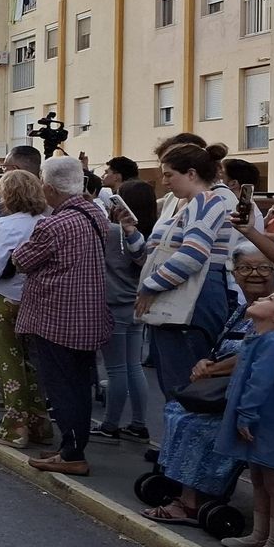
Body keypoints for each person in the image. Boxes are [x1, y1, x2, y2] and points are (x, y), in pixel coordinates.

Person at [143, 243, 274, 527]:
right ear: (235, 274)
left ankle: (192, 502)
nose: (254, 274)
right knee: (177, 411)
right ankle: (182, 488)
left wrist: (213, 369)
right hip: (225, 389)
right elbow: (221, 347)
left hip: (252, 396)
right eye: (245, 268)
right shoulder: (241, 310)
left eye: (264, 267)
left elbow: (254, 354)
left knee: (197, 424)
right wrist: (205, 362)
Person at [10, 158, 112, 476]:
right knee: (80, 384)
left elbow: (22, 260)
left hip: (56, 317)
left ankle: (71, 452)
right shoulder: (96, 214)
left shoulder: (54, 224)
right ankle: (71, 445)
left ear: (50, 188)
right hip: (88, 315)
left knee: (61, 386)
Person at [139, 143, 237, 400]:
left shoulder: (205, 202)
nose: (164, 181)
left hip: (193, 303)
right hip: (185, 300)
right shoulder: (191, 204)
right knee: (175, 384)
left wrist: (150, 286)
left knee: (183, 386)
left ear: (191, 173)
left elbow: (193, 254)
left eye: (169, 174)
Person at [0, 170, 49, 449]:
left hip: (5, 297)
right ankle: (39, 421)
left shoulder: (8, 226)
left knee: (7, 360)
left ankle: (14, 424)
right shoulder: (44, 221)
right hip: (34, 298)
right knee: (31, 361)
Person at [215, 287, 274, 547]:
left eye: (270, 300)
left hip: (271, 419)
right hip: (260, 417)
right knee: (257, 476)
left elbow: (260, 382)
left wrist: (246, 413)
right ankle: (259, 533)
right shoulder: (259, 337)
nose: (260, 298)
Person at [97, 178, 156, 442]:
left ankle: (110, 424)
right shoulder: (151, 234)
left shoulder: (110, 232)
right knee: (134, 367)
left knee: (116, 370)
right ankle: (139, 423)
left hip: (113, 304)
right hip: (137, 303)